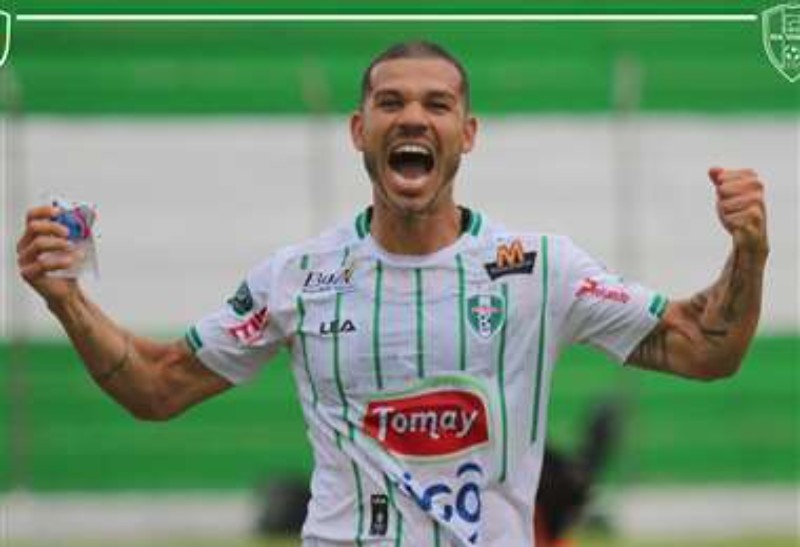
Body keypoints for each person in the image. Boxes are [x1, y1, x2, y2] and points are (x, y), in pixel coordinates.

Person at [16, 41, 769, 547]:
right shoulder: (298, 277)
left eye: (437, 105)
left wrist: (748, 253)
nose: (413, 116)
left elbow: (705, 348)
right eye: (391, 102)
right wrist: (65, 301)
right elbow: (156, 387)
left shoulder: (538, 268)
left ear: (467, 133)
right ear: (359, 129)